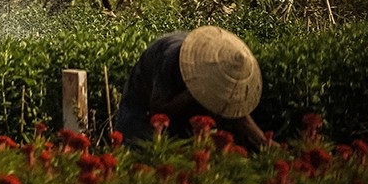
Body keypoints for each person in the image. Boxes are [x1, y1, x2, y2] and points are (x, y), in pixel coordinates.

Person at [114, 25, 268, 150]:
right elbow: (158, 108)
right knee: (141, 151)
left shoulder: (218, 71)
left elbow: (235, 112)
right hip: (142, 108)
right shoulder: (171, 59)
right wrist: (191, 94)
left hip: (182, 112)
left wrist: (264, 141)